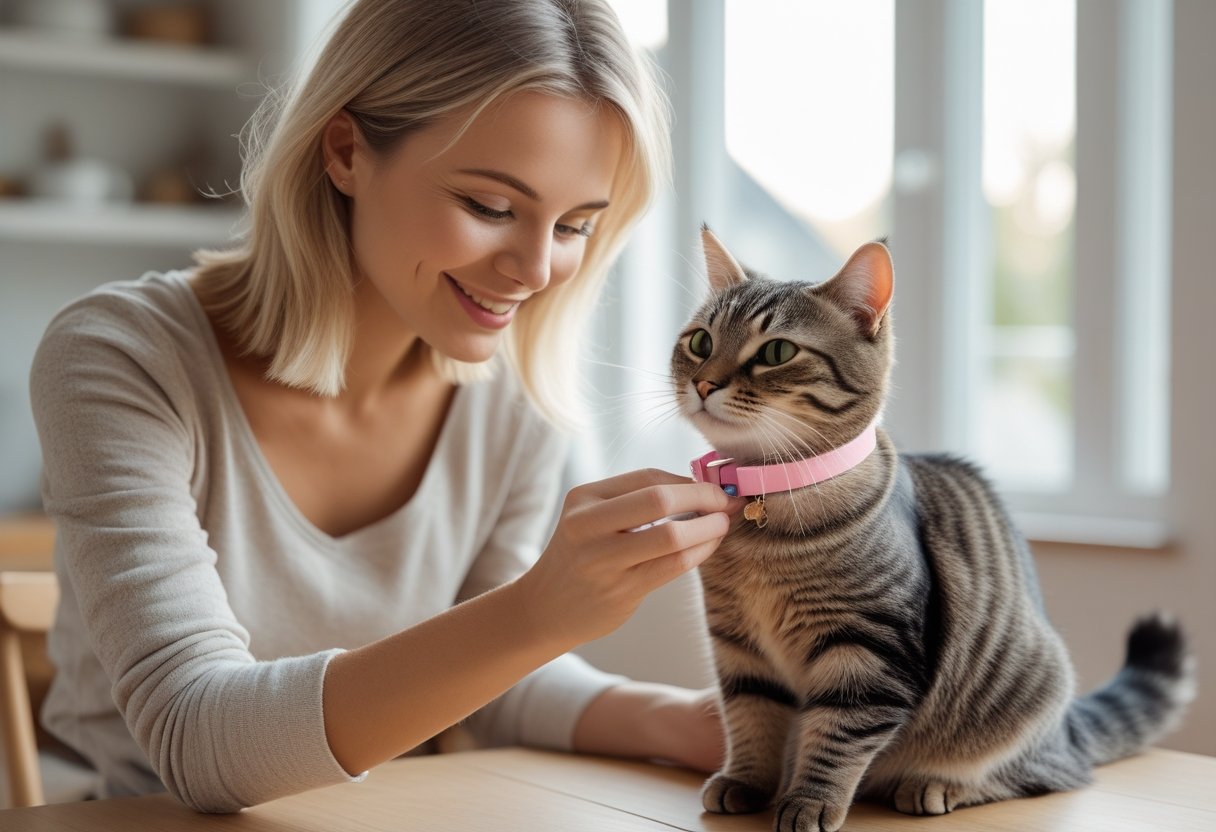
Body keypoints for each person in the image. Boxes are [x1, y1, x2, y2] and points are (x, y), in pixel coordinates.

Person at [28, 0, 743, 814]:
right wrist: (537, 612)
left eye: (576, 224)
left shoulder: (511, 401)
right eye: (492, 208)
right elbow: (196, 740)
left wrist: (695, 725)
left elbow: (491, 682)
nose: (537, 269)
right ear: (345, 152)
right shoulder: (120, 357)